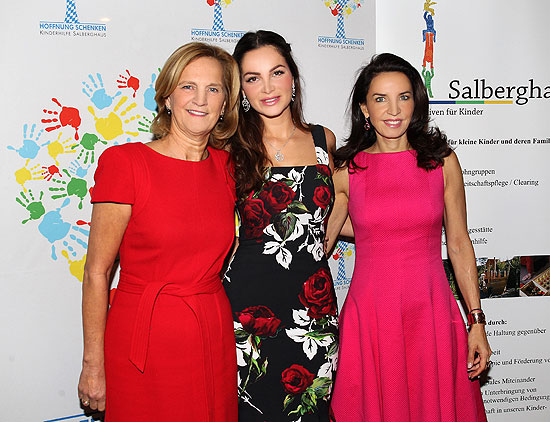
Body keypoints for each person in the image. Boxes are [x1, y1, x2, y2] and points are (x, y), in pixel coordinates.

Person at [77, 42, 240, 421]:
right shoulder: (126, 163)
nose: (200, 99)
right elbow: (96, 273)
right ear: (167, 96)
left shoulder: (229, 168)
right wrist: (92, 364)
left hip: (211, 333)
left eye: (213, 89)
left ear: (224, 105)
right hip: (144, 340)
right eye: (187, 86)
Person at [327, 53, 490, 421]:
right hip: (371, 315)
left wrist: (476, 320)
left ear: (416, 102)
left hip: (431, 311)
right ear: (364, 109)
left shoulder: (441, 160)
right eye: (380, 99)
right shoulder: (345, 170)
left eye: (403, 96)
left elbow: (460, 242)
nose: (393, 109)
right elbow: (322, 240)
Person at [223, 30, 339, 421]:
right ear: (241, 88)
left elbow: (344, 202)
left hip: (313, 307)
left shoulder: (324, 140)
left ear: (293, 78)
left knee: (311, 407)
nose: (267, 87)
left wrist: (330, 234)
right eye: (253, 78)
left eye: (277, 72)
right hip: (247, 308)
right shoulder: (227, 146)